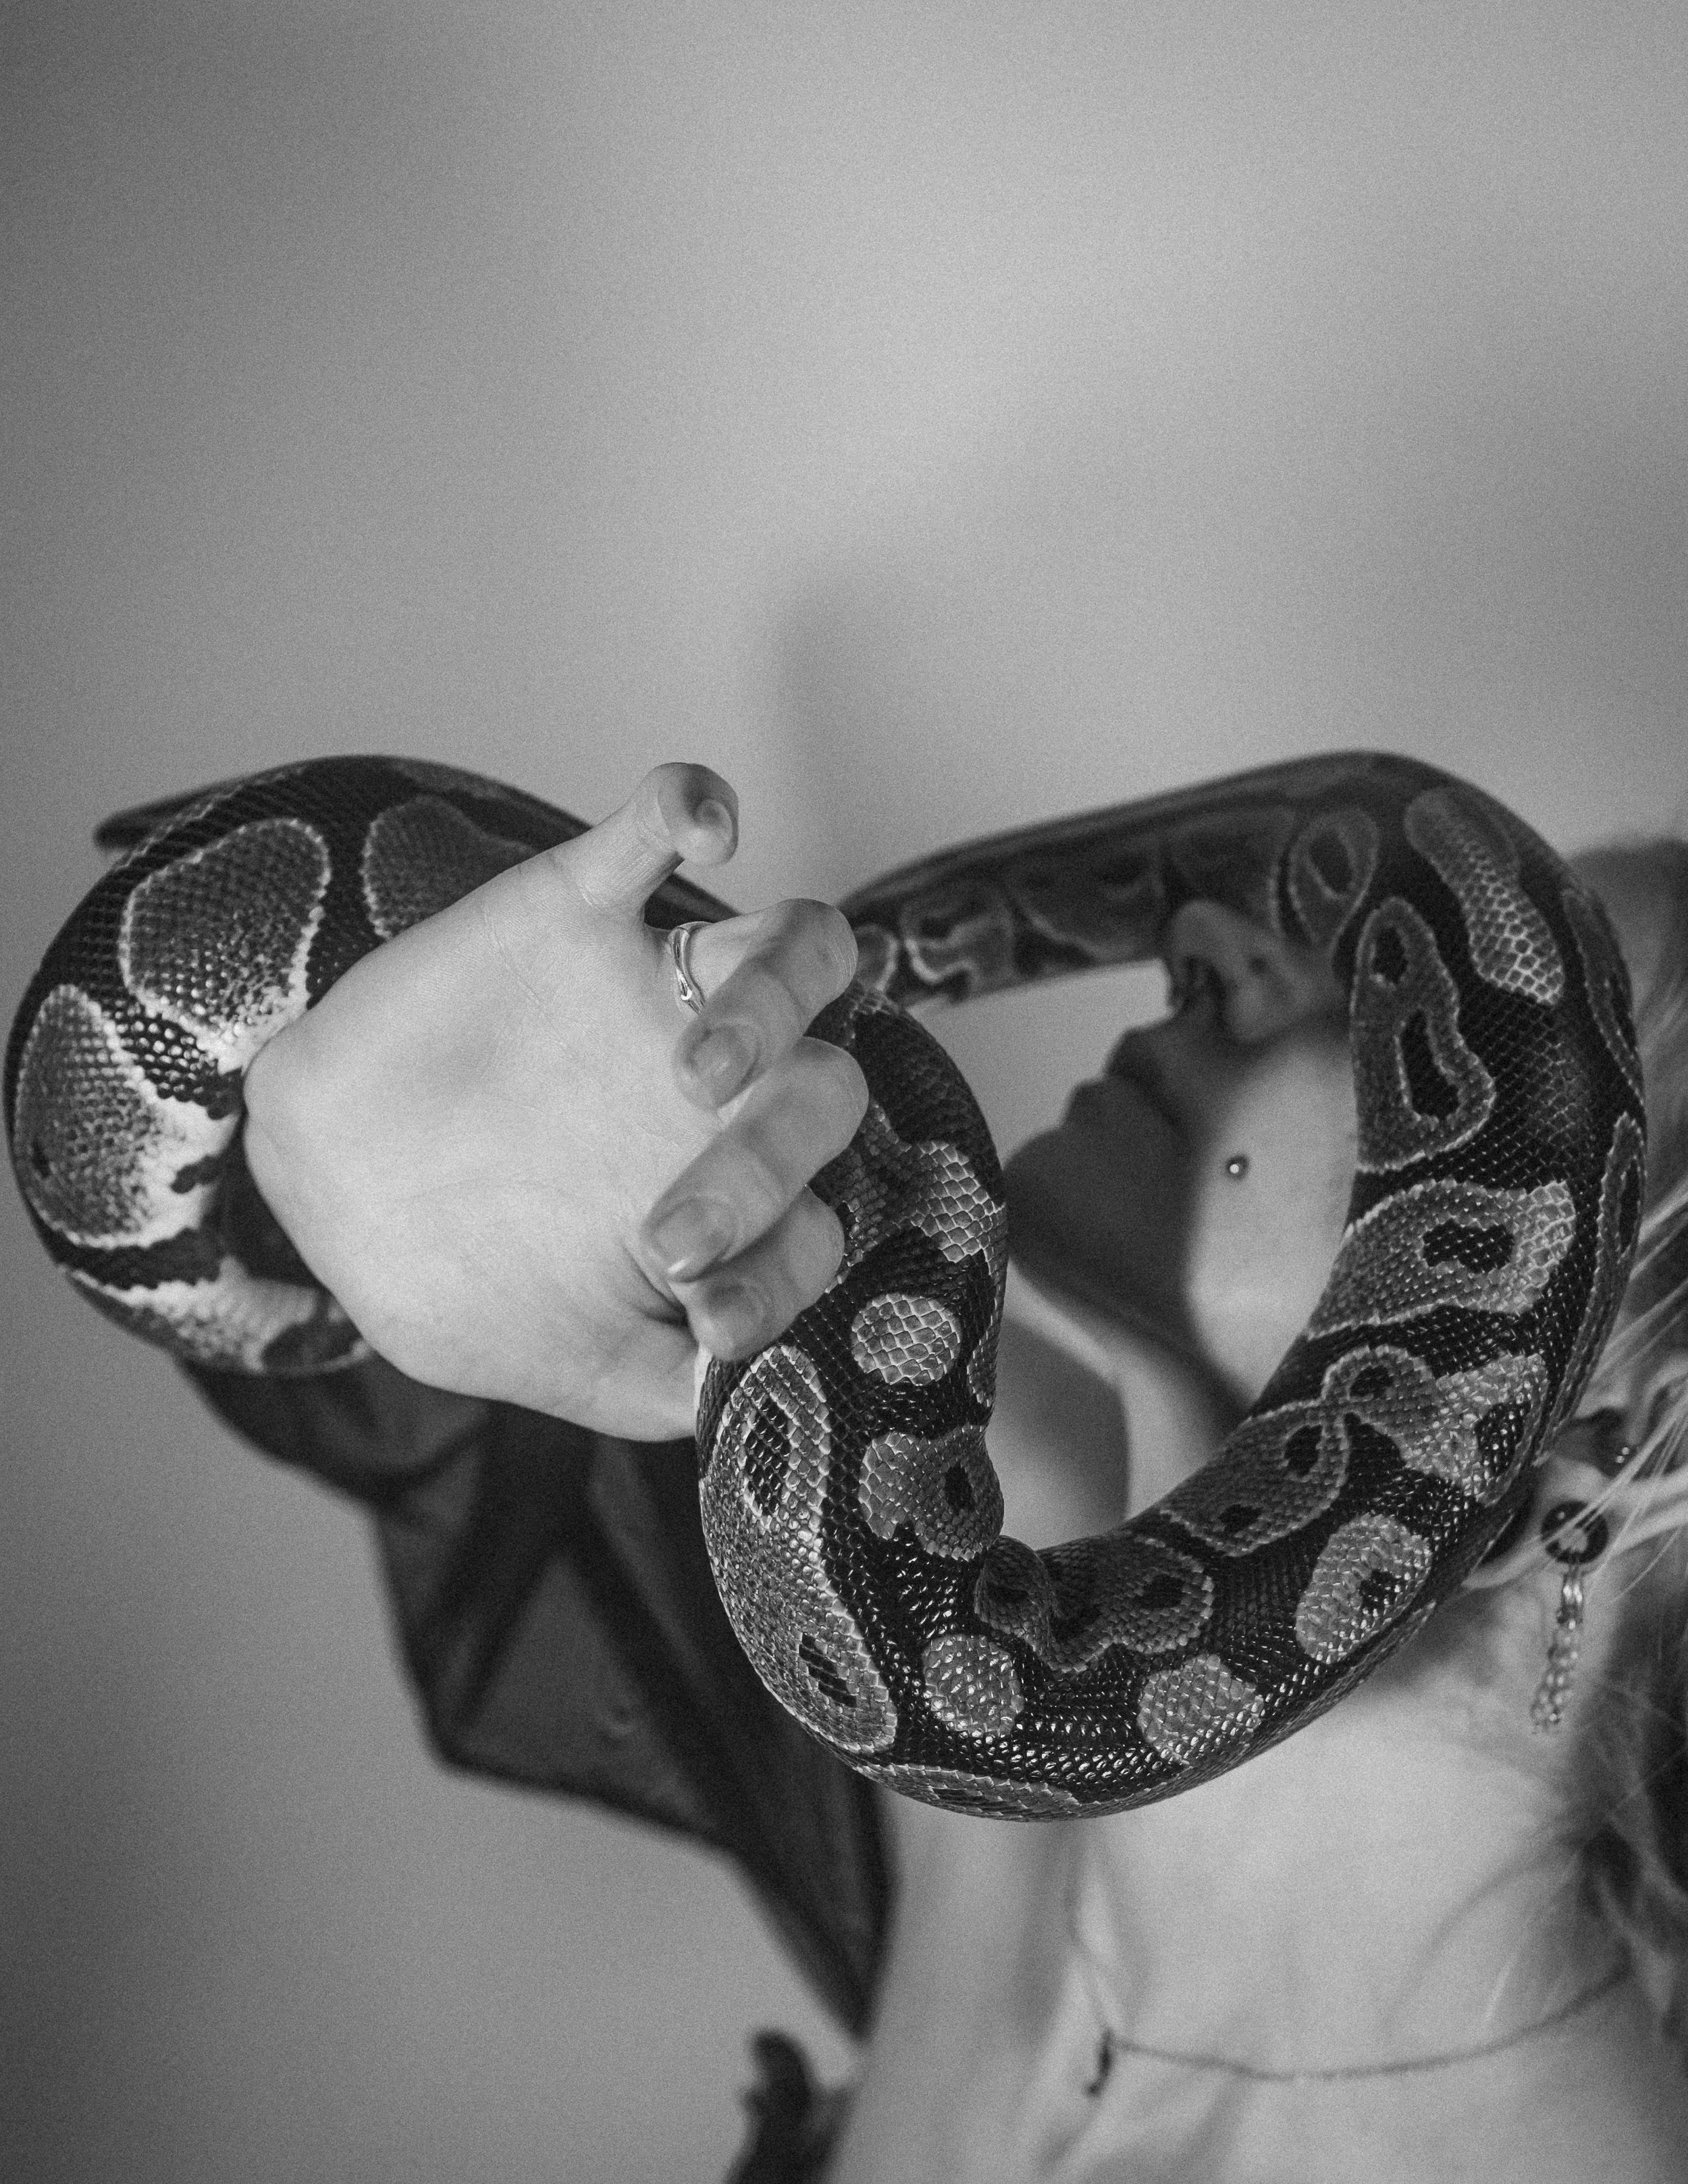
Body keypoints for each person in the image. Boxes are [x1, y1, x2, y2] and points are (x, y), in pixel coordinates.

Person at [171, 768, 1688, 2177]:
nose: (1209, 937)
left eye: (1409, 1002)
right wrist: (357, 1152)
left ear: (1615, 1442)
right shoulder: (960, 1546)